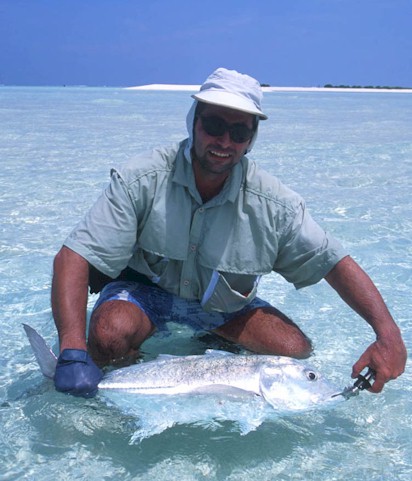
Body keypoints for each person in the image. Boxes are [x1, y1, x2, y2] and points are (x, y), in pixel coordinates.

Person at [51, 67, 406, 398]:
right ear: (194, 122)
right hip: (145, 294)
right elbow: (74, 257)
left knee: (295, 353)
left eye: (239, 132)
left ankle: (208, 358)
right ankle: (124, 395)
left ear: (251, 139)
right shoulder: (142, 179)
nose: (225, 141)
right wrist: (70, 350)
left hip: (222, 310)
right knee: (109, 334)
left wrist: (388, 336)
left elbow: (332, 261)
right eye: (215, 125)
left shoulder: (274, 204)